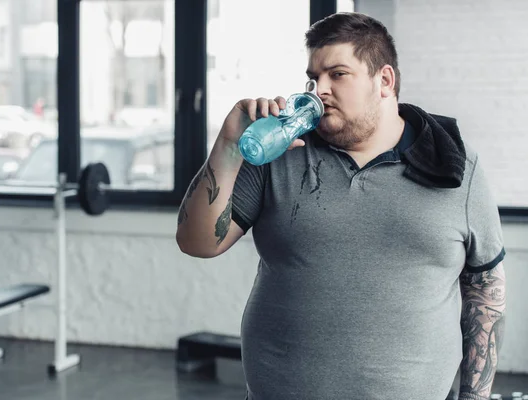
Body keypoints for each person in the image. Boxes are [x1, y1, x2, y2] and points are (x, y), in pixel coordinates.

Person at [175, 12, 507, 400]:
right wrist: (229, 147)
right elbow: (196, 242)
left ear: (384, 80)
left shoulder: (457, 169)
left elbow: (485, 293)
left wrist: (475, 396)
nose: (319, 90)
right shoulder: (278, 157)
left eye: (337, 74)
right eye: (313, 78)